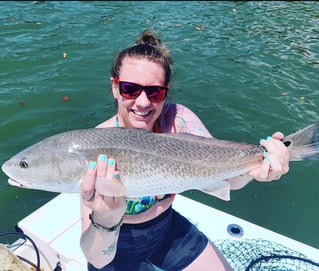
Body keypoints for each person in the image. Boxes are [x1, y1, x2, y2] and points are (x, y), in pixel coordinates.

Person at [80, 29, 290, 271]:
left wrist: (259, 168)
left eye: (155, 92)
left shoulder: (178, 121)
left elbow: (228, 179)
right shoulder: (95, 143)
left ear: (166, 92)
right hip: (117, 243)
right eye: (130, 89)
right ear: (115, 87)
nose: (143, 102)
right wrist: (105, 219)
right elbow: (97, 258)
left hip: (167, 230)